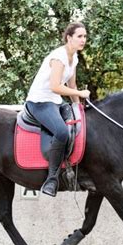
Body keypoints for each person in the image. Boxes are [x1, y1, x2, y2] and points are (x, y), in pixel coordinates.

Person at [25, 22, 90, 197]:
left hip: (55, 101)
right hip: (39, 102)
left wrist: (78, 107)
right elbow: (55, 86)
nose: (83, 40)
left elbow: (72, 85)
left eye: (85, 36)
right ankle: (51, 179)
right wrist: (80, 93)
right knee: (61, 132)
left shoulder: (74, 57)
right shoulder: (59, 57)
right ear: (69, 38)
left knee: (78, 126)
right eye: (79, 36)